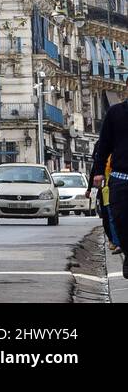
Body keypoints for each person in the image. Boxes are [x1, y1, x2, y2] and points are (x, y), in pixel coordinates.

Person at [92, 95, 127, 278]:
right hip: (121, 177)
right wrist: (98, 171)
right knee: (119, 219)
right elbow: (104, 145)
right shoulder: (115, 113)